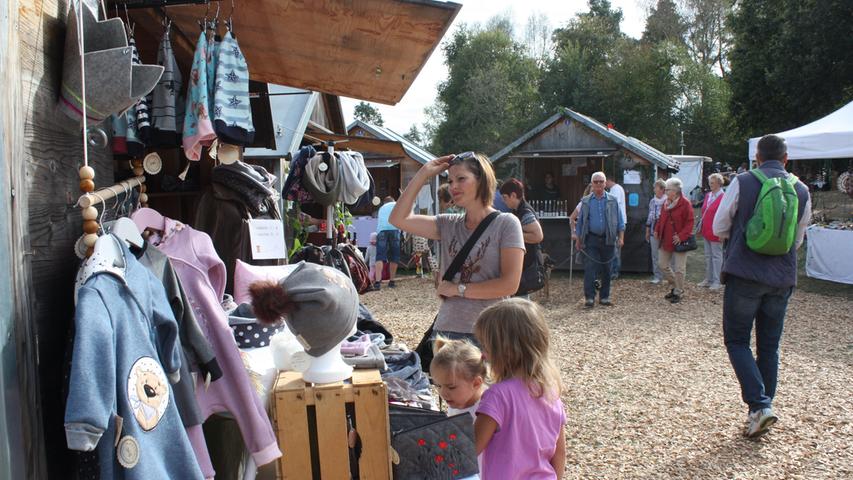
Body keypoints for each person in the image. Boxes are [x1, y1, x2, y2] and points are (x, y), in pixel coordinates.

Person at [713, 134, 811, 438]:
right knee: (769, 346)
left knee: (737, 341)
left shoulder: (744, 181)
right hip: (781, 278)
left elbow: (718, 226)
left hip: (745, 274)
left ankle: (760, 406)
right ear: (786, 159)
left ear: (757, 158)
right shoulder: (802, 189)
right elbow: (796, 240)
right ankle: (760, 412)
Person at [389, 151, 524, 344]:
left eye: (461, 179)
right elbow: (398, 218)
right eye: (450, 181)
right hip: (446, 331)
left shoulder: (506, 223)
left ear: (482, 181)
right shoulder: (448, 224)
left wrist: (457, 289)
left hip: (490, 332)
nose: (453, 186)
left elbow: (509, 284)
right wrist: (423, 174)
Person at [473, 298, 565, 480]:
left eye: (486, 347)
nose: (483, 354)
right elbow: (559, 453)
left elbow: (471, 448)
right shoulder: (551, 393)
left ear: (506, 350)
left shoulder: (497, 396)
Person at [575, 172, 624, 307]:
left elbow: (620, 221)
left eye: (601, 181)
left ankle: (604, 297)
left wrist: (621, 238)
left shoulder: (613, 200)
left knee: (607, 269)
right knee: (590, 268)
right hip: (591, 239)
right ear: (592, 184)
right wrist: (578, 240)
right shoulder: (585, 201)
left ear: (605, 183)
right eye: (595, 182)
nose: (598, 184)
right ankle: (589, 297)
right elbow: (580, 222)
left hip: (608, 239)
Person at [499, 178, 544, 297]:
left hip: (528, 265)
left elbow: (538, 236)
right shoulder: (517, 211)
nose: (504, 201)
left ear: (513, 195)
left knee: (521, 300)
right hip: (524, 263)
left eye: (505, 197)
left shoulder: (525, 212)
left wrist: (514, 234)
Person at [653, 178, 694, 304]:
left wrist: (681, 236)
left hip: (679, 242)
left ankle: (678, 291)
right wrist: (657, 230)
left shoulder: (685, 203)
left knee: (679, 268)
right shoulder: (666, 202)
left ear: (675, 191)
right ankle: (676, 286)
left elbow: (690, 222)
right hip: (666, 240)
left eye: (668, 189)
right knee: (662, 264)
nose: (665, 191)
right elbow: (661, 219)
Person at [431, 336, 487, 419]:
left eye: (451, 387)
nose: (442, 393)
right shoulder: (458, 401)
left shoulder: (486, 413)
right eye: (438, 386)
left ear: (476, 383)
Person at [698, 173, 725, 290]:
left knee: (717, 256)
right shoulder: (708, 195)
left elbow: (725, 215)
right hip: (706, 229)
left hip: (717, 231)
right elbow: (704, 211)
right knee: (708, 256)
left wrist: (723, 232)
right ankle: (708, 279)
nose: (710, 185)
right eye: (710, 183)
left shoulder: (724, 197)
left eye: (713, 183)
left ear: (719, 183)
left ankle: (717, 281)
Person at [374, 196, 401, 290]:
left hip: (382, 231)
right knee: (394, 256)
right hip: (394, 229)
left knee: (380, 256)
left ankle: (377, 282)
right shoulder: (397, 204)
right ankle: (392, 281)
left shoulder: (381, 208)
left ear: (384, 202)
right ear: (393, 200)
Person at [645, 179, 667, 284]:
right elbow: (650, 216)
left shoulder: (668, 201)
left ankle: (668, 276)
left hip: (665, 231)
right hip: (654, 229)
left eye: (656, 187)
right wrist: (648, 230)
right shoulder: (652, 201)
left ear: (662, 189)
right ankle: (657, 276)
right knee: (655, 255)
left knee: (666, 254)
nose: (654, 189)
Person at [606, 178, 626, 280]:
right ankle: (612, 271)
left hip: (617, 223)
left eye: (604, 182)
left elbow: (613, 204)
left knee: (615, 250)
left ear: (609, 180)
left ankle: (614, 272)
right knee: (613, 249)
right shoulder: (615, 189)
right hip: (615, 222)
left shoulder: (616, 189)